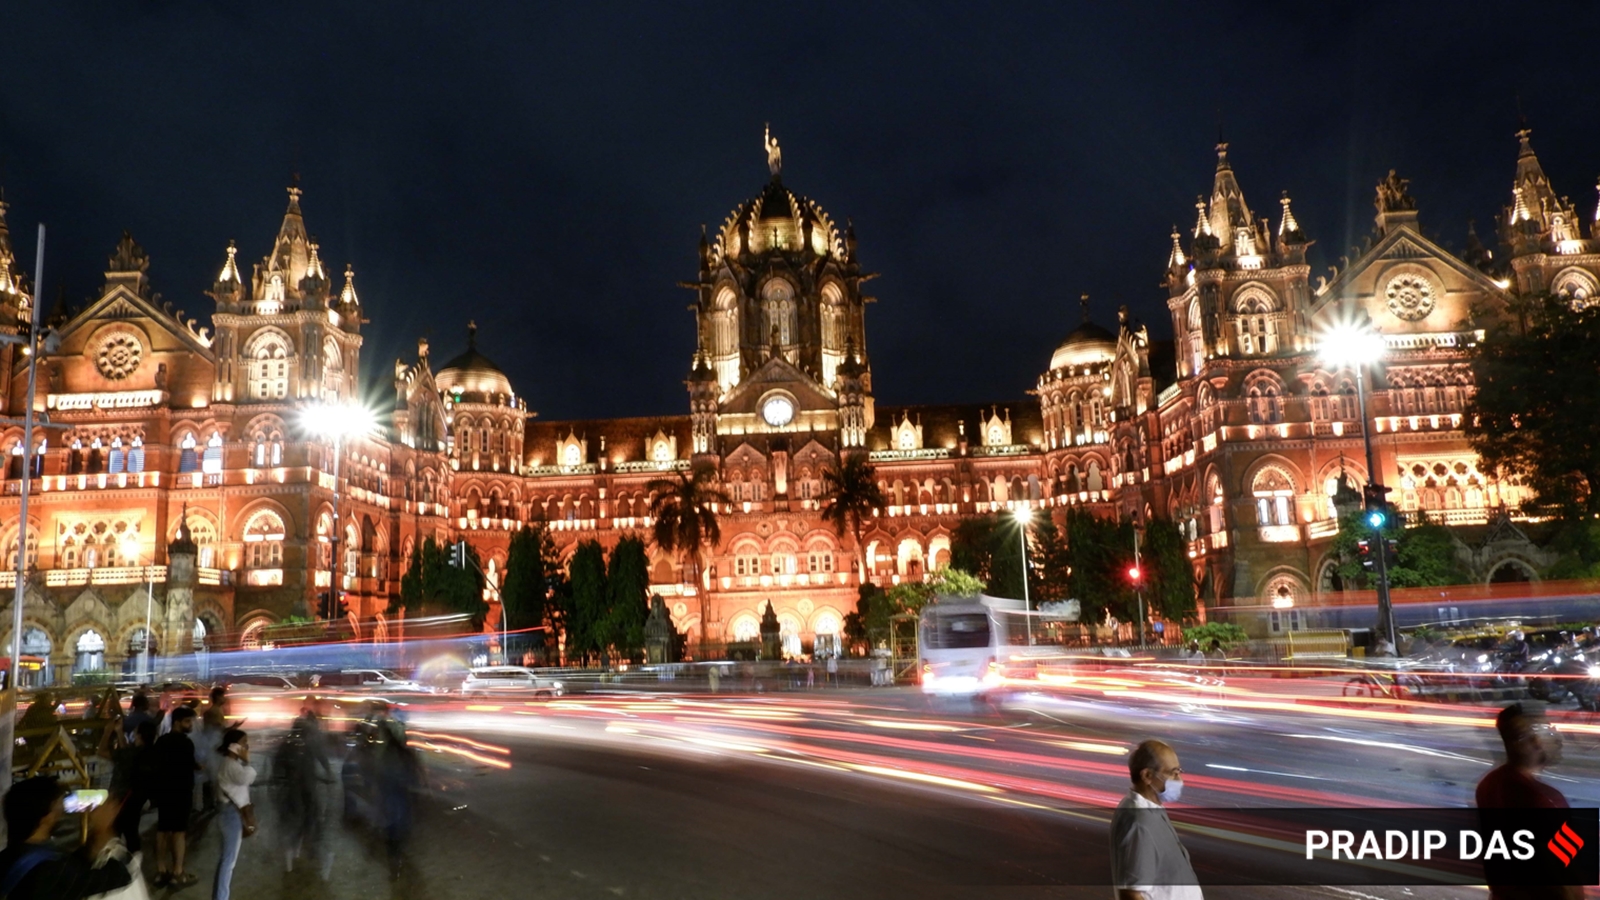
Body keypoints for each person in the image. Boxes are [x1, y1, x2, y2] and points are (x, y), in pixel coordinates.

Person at [1476, 704, 1577, 898]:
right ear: (1533, 741)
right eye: (1549, 729)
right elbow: (1564, 878)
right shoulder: (1545, 800)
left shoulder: (1490, 784)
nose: (1558, 736)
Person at [0, 775, 134, 900]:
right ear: (46, 818)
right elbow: (119, 876)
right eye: (58, 805)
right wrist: (104, 830)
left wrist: (95, 838)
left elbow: (74, 866)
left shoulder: (10, 857)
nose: (62, 810)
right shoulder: (51, 873)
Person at [1110, 739, 1202, 900]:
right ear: (1147, 775)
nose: (1179, 779)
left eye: (1179, 771)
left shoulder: (1152, 810)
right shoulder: (1139, 822)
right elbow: (1132, 893)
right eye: (1173, 772)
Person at [152, 705, 201, 886]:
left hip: (164, 792)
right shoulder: (186, 743)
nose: (191, 725)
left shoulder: (162, 741)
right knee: (179, 833)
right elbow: (188, 766)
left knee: (162, 831)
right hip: (181, 793)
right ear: (178, 722)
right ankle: (178, 872)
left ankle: (160, 870)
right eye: (188, 721)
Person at [212, 727, 256, 900]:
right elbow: (246, 778)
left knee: (226, 859)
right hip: (231, 815)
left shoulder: (229, 764)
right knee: (228, 862)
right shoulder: (231, 765)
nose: (247, 746)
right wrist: (248, 762)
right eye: (244, 743)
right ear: (234, 746)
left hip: (228, 813)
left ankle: (219, 896)